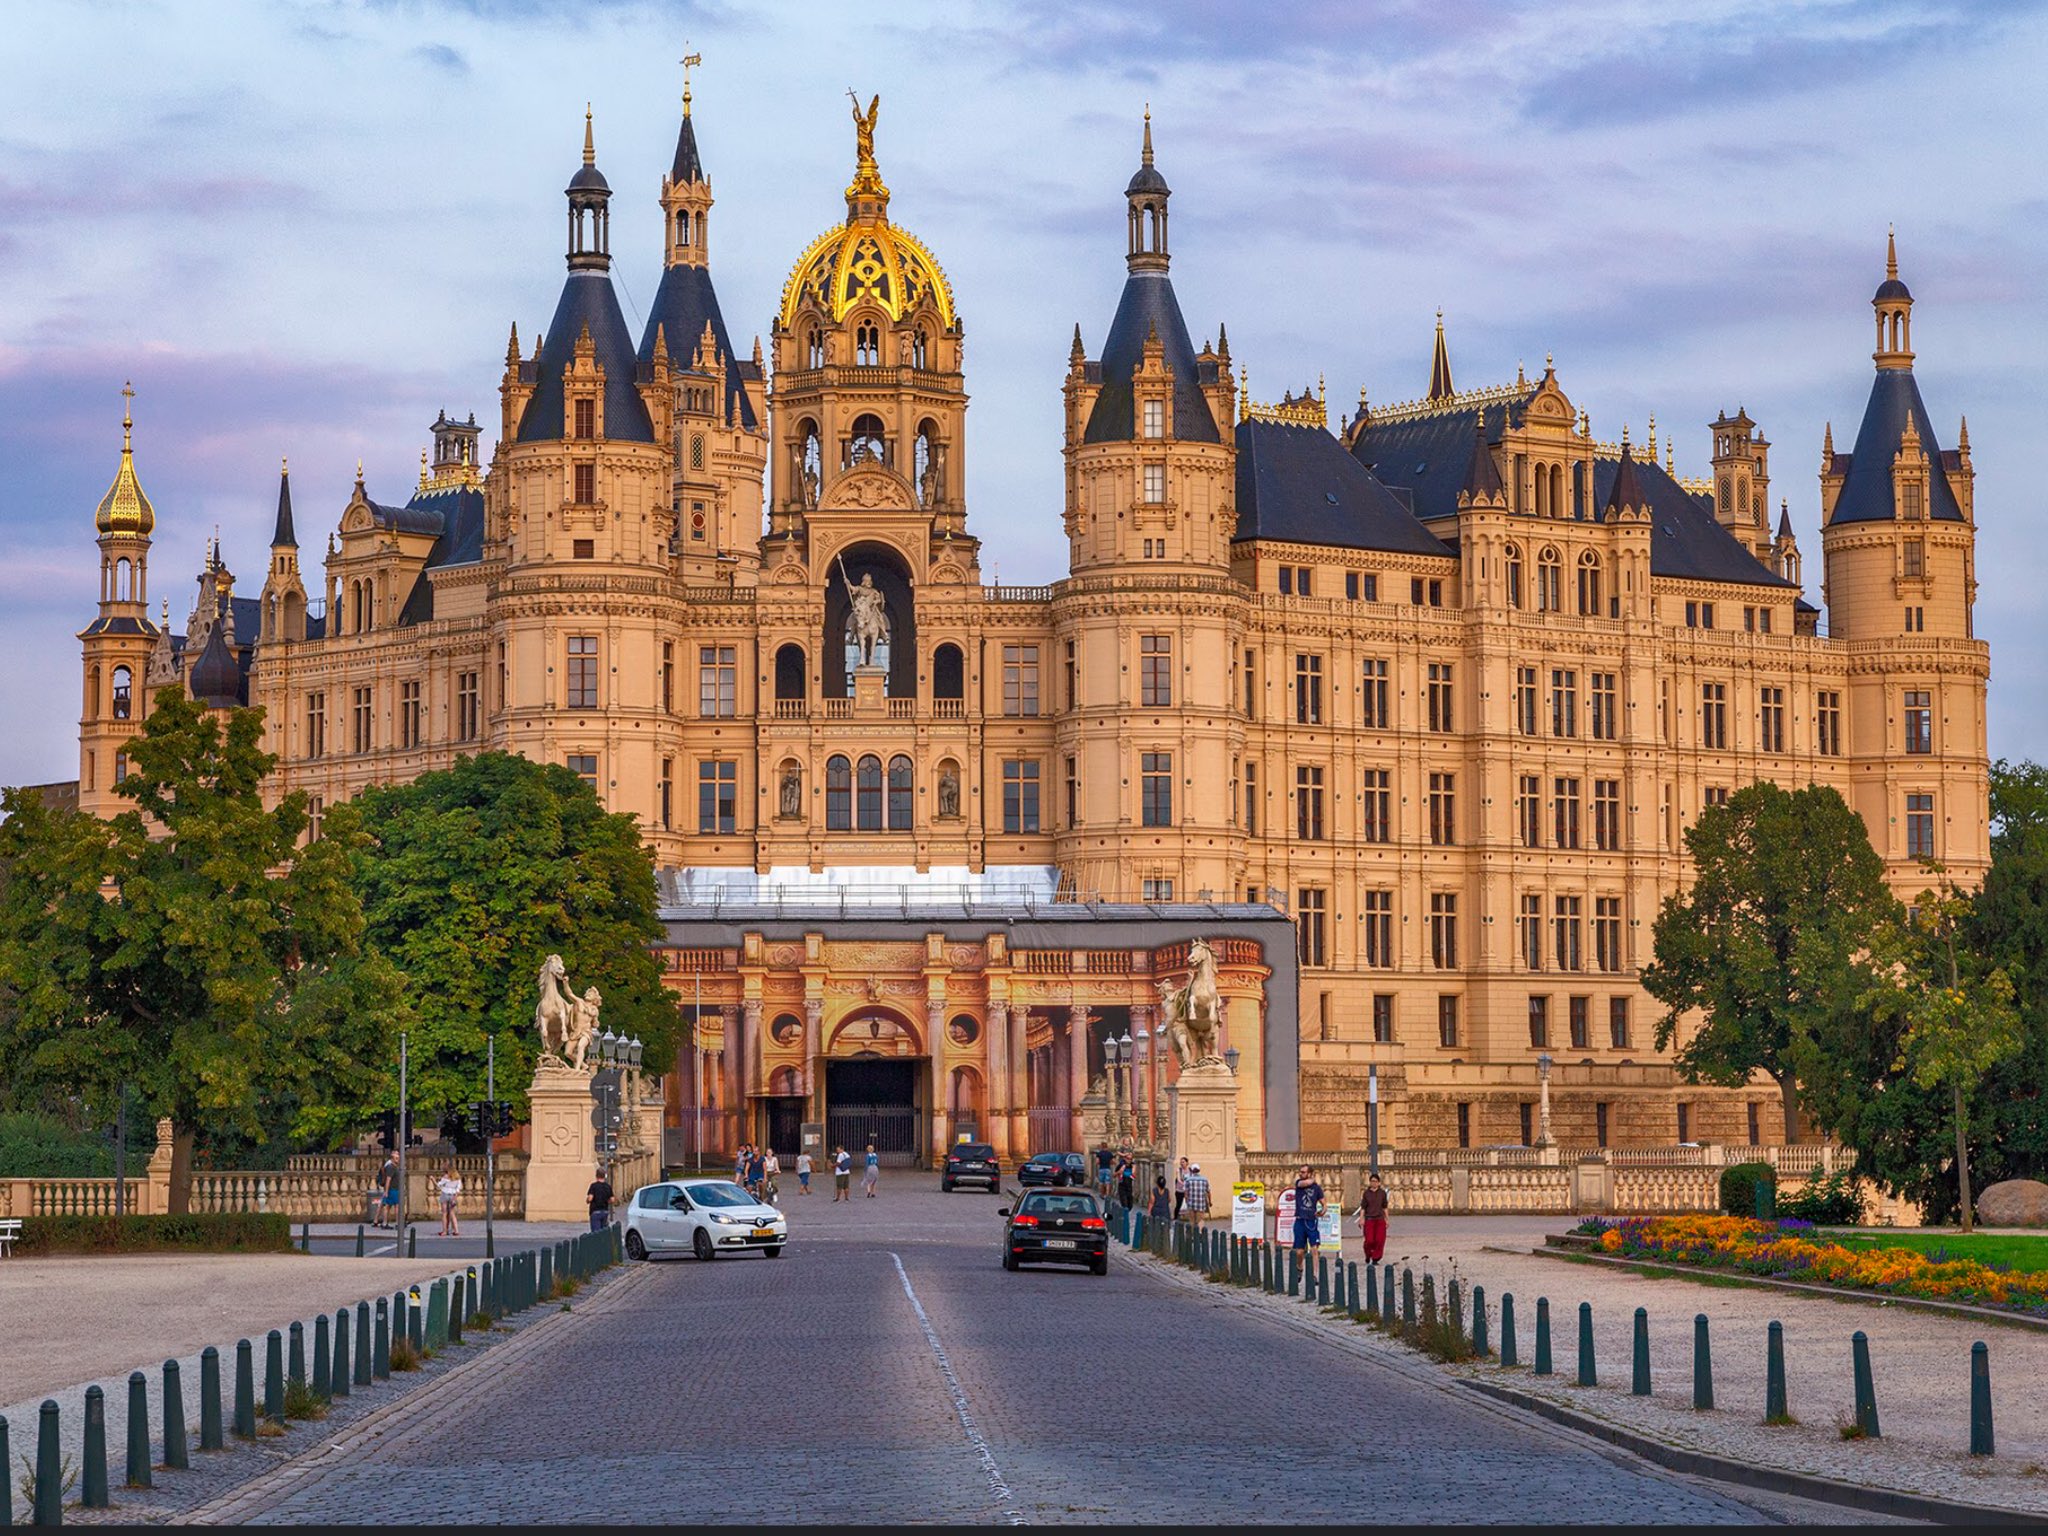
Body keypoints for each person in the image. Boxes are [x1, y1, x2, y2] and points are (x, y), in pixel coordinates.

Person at [1290, 1163, 1325, 1256]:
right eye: (1300, 1172)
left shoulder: (1316, 1188)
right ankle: (1299, 1268)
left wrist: (1323, 1211)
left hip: (1311, 1220)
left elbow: (1324, 1203)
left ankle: (1316, 1270)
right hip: (1300, 1219)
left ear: (1309, 1173)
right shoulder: (1299, 1183)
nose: (1300, 1174)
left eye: (1303, 1172)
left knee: (1314, 1248)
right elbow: (1306, 1183)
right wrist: (1313, 1180)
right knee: (1299, 1251)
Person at [1356, 1172, 1390, 1264]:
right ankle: (1368, 1254)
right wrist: (1361, 1219)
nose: (1373, 1183)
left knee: (1379, 1240)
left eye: (1375, 1181)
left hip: (1379, 1219)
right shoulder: (1366, 1193)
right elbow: (1363, 1207)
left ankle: (1376, 1258)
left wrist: (1387, 1219)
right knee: (1369, 1240)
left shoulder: (1382, 1193)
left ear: (1378, 1183)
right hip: (1369, 1219)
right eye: (1372, 1181)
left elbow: (1385, 1207)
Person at [586, 1165, 614, 1233]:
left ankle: (597, 1243)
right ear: (604, 1176)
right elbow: (612, 1199)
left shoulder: (594, 1186)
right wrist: (607, 1201)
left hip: (595, 1211)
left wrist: (587, 1200)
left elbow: (590, 1198)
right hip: (605, 1211)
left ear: (596, 1176)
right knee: (603, 1232)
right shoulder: (608, 1186)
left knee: (596, 1233)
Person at [437, 1166, 463, 1237]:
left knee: (444, 1213)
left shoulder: (445, 1177)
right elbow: (458, 1189)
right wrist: (455, 1197)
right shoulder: (457, 1178)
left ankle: (445, 1231)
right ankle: (456, 1230)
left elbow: (439, 1185)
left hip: (445, 1194)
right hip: (453, 1196)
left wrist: (433, 1179)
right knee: (452, 1213)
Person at [377, 1155, 401, 1229]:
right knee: (391, 1206)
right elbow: (388, 1180)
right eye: (396, 1158)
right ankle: (394, 1223)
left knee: (389, 1206)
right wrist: (386, 1191)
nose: (398, 1159)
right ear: (392, 1159)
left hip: (394, 1189)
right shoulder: (391, 1167)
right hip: (392, 1189)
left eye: (398, 1158)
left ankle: (386, 1223)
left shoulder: (395, 1167)